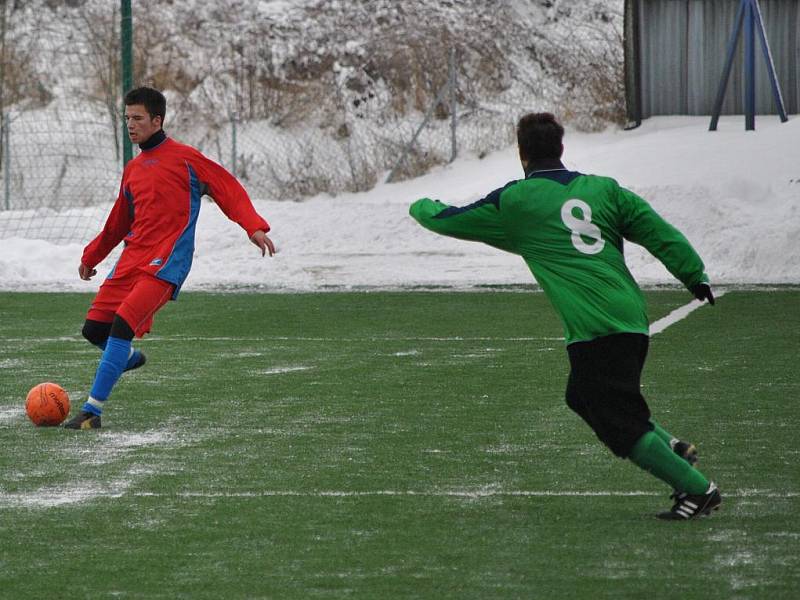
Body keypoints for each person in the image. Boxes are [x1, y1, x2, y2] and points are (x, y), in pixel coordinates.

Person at [409, 112, 721, 520]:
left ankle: (698, 490)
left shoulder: (516, 201)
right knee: (581, 395)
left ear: (522, 154)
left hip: (596, 327)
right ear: (561, 149)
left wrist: (417, 202)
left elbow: (445, 218)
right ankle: (672, 447)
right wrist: (692, 274)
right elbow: (656, 230)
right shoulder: (604, 190)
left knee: (619, 424)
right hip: (627, 316)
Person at [64, 86, 275, 430]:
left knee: (121, 327)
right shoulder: (134, 168)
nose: (130, 125)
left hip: (167, 263)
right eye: (127, 118)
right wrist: (93, 255)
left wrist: (253, 226)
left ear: (157, 120)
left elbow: (227, 189)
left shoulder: (187, 159)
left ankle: (92, 411)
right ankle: (127, 358)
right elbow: (119, 220)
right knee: (94, 329)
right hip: (132, 259)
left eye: (137, 118)